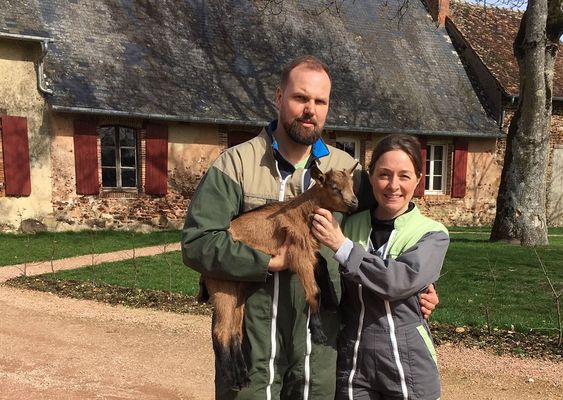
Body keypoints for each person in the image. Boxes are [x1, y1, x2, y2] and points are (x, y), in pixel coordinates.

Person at [181, 56, 439, 400]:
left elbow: (385, 223)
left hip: (319, 353)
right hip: (254, 344)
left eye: (320, 102)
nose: (310, 110)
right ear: (278, 97)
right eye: (300, 98)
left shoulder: (346, 171)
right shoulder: (236, 164)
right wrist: (268, 262)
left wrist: (419, 283)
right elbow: (198, 243)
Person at [312, 134, 449, 400]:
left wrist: (342, 246)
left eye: (405, 176)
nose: (393, 185)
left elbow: (396, 282)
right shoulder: (348, 225)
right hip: (352, 363)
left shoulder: (433, 234)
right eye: (384, 174)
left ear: (419, 180)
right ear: (371, 176)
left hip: (410, 363)